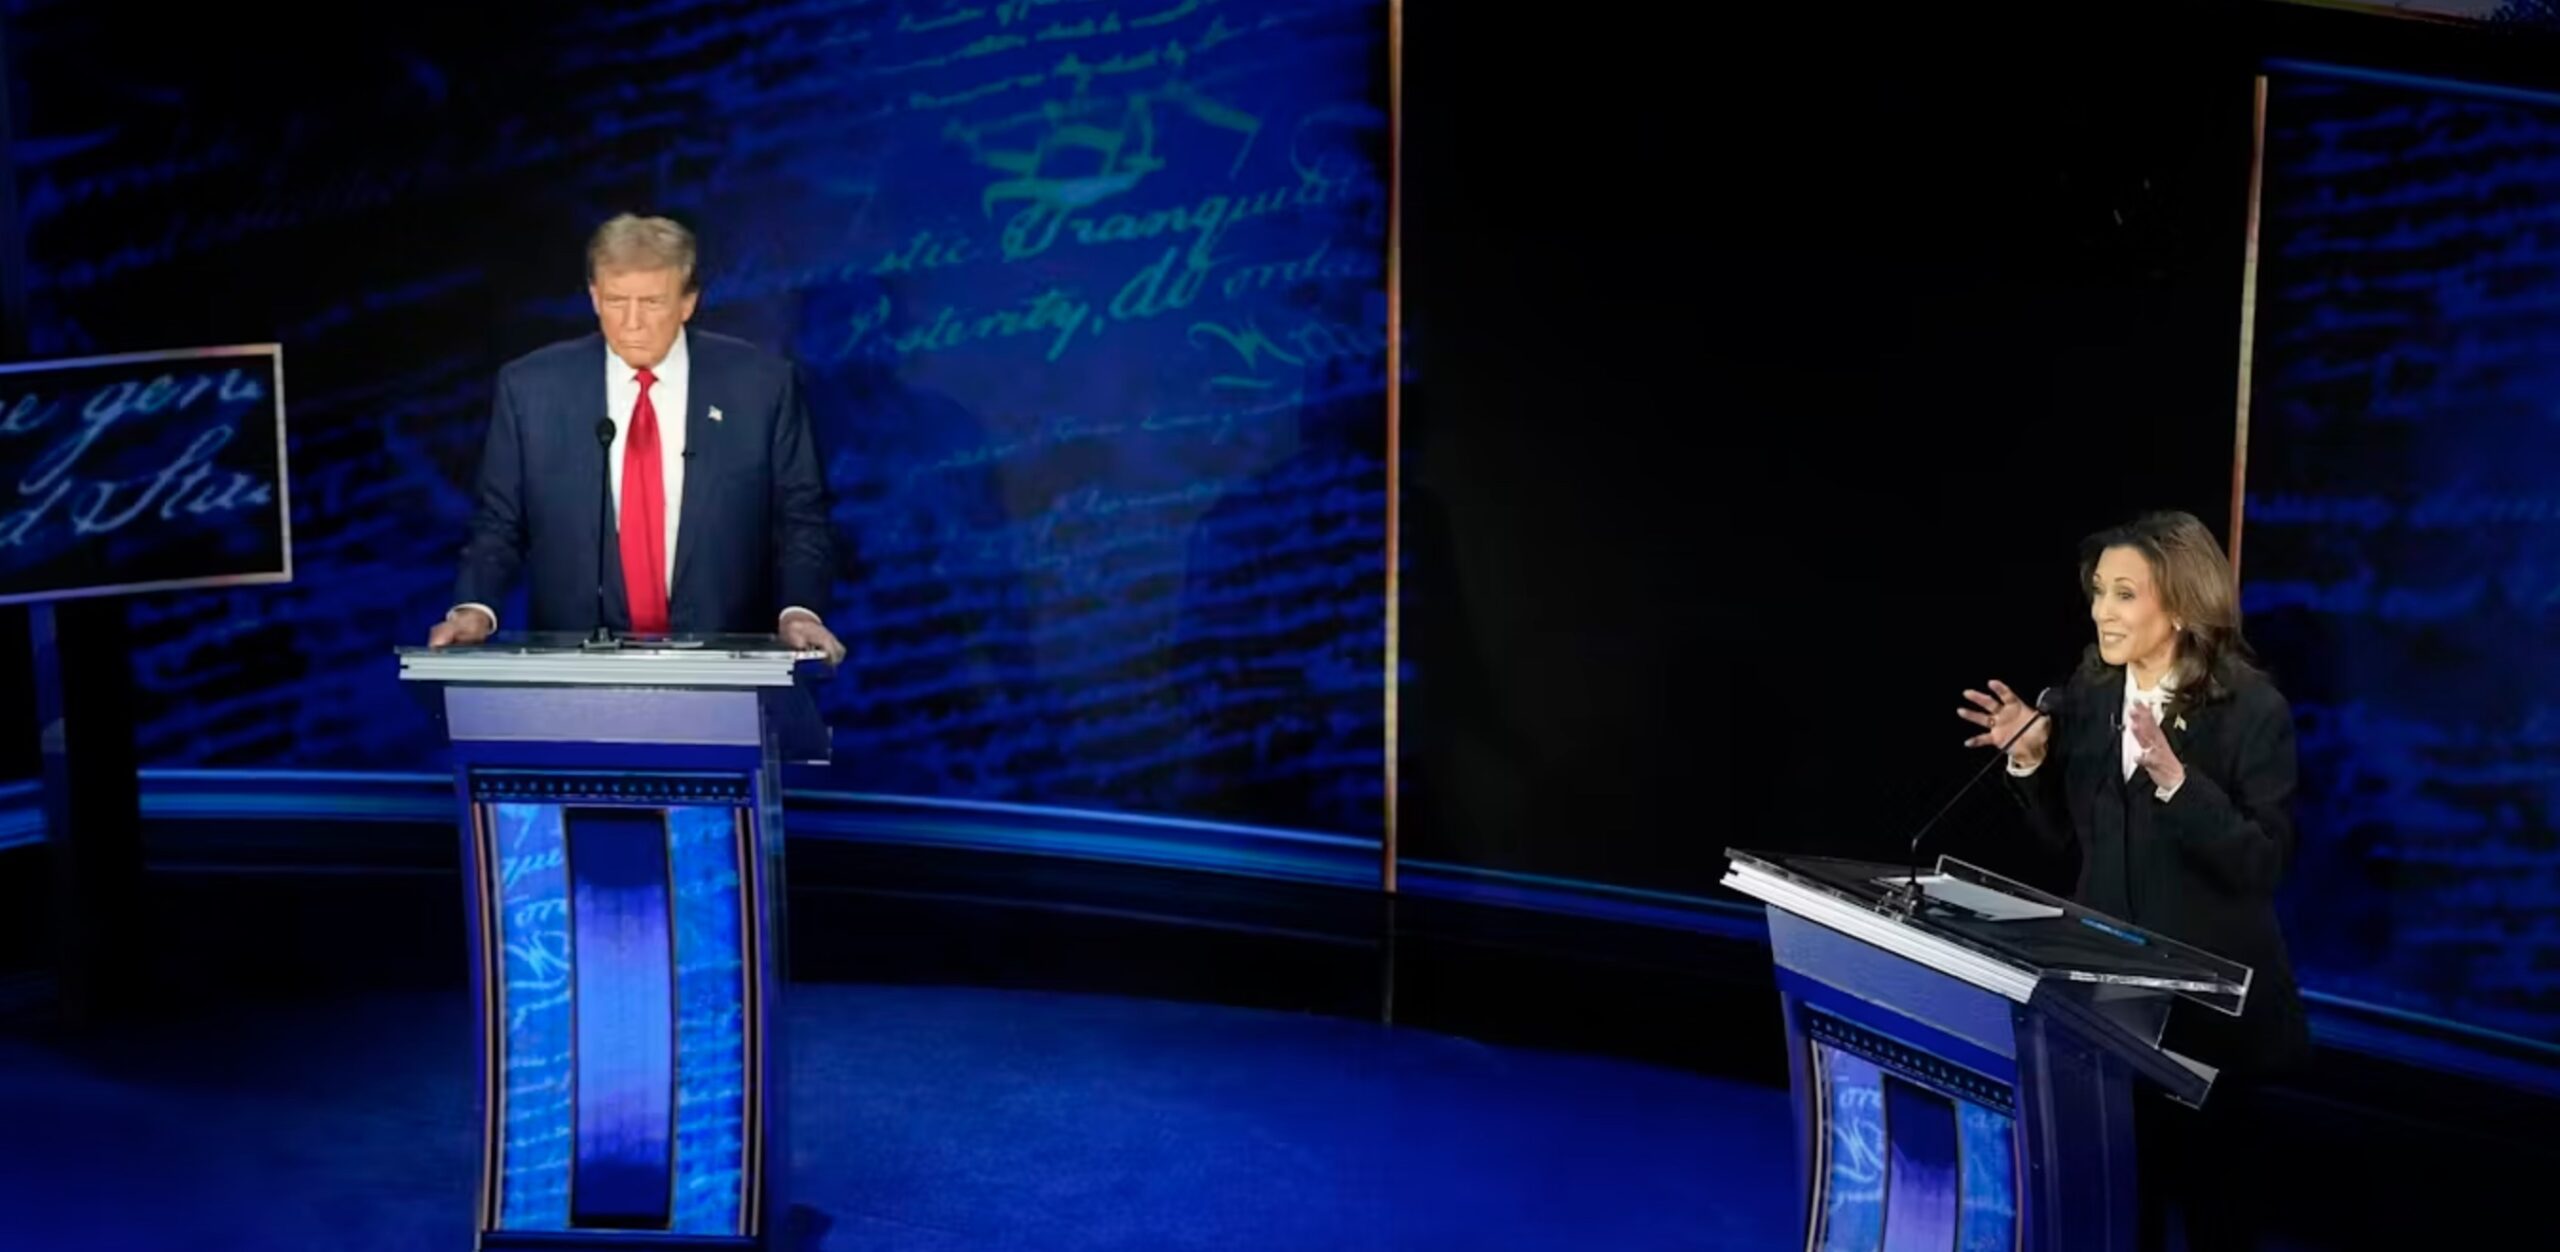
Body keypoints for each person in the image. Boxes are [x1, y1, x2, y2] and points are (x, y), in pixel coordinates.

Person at [1956, 510, 2304, 1252]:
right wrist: (2030, 758)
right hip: (2107, 1009)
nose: (2100, 612)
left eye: (2123, 594)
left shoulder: (2250, 709)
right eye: (2097, 592)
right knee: (2120, 1212)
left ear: (2177, 606)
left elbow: (2264, 863)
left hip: (2212, 1021)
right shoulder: (2085, 696)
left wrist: (2181, 784)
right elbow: (2066, 842)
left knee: (2217, 1218)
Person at [427, 214, 844, 663]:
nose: (631, 323)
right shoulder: (530, 390)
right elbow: (499, 523)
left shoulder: (760, 387)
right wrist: (475, 607)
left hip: (728, 666)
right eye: (616, 301)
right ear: (593, 297)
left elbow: (800, 517)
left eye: (650, 302)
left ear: (688, 302)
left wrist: (799, 611)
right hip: (575, 672)